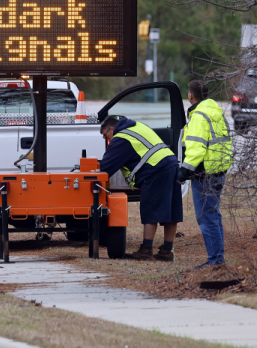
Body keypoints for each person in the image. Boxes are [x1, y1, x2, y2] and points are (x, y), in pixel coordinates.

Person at [99, 115, 182, 261]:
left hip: (156, 170)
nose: (107, 140)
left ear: (112, 128)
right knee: (171, 210)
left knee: (150, 209)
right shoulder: (137, 126)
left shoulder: (121, 138)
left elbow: (105, 167)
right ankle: (167, 251)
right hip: (171, 164)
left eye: (106, 135)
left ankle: (146, 250)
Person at [177, 80, 233, 269]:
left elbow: (196, 150)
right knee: (213, 215)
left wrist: (183, 172)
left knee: (206, 217)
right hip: (218, 171)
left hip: (204, 175)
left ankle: (216, 261)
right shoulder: (216, 112)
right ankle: (218, 258)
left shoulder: (199, 116)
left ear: (191, 95)